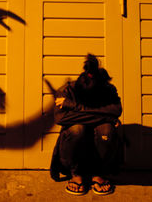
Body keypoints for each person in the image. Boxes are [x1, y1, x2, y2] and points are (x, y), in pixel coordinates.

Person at [50, 54, 122, 196]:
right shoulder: (66, 91)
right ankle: (76, 174)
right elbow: (60, 118)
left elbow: (116, 110)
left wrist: (75, 107)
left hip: (101, 151)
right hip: (72, 150)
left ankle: (98, 174)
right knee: (77, 129)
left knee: (106, 129)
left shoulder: (108, 89)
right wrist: (106, 116)